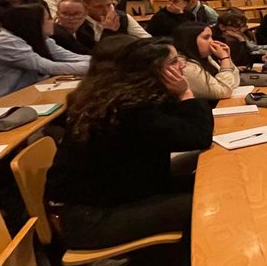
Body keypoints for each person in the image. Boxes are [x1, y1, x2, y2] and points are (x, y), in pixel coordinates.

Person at [45, 39, 214, 247]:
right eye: (173, 61)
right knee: (209, 202)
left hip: (124, 192)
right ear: (151, 70)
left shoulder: (129, 95)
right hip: (89, 217)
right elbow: (198, 135)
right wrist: (185, 93)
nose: (182, 65)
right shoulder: (130, 108)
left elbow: (185, 127)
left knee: (212, 180)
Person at [0, 4, 89, 97]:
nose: (52, 22)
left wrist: (103, 62)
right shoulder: (6, 43)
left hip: (10, 94)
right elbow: (49, 67)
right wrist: (99, 66)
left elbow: (71, 57)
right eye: (47, 18)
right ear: (33, 23)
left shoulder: (41, 38)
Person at [172, 22, 239, 101]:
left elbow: (234, 83)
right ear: (190, 41)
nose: (212, 42)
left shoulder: (205, 57)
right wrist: (224, 59)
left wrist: (228, 58)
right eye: (206, 38)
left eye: (211, 37)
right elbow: (223, 92)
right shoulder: (185, 65)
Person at [80, 0, 150, 45]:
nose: (106, 11)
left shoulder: (122, 17)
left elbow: (148, 40)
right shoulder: (78, 22)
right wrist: (108, 31)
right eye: (99, 7)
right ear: (85, 7)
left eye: (108, 5)